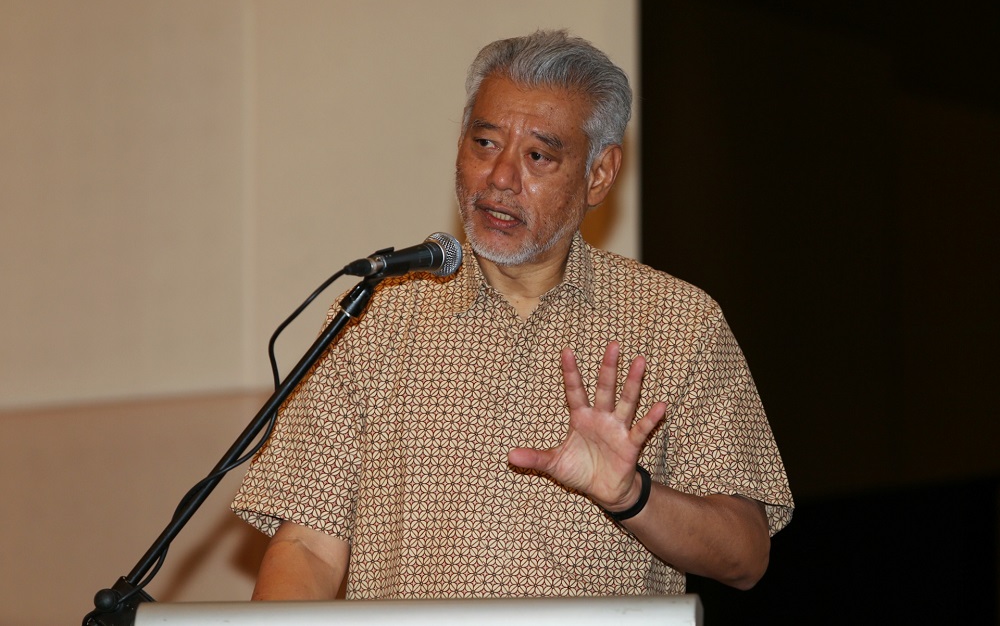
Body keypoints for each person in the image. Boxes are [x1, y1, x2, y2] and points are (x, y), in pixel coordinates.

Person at [232, 29, 793, 600]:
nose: (500, 178)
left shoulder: (678, 322)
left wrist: (633, 497)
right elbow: (304, 549)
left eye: (538, 156)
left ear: (599, 174)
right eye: (483, 143)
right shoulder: (376, 317)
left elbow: (746, 554)